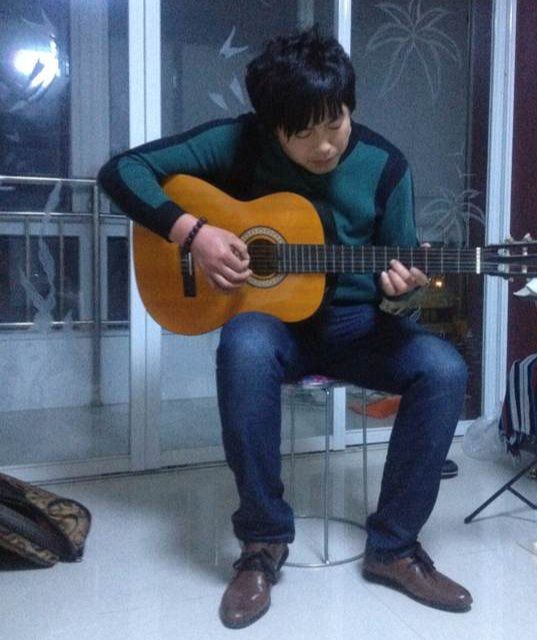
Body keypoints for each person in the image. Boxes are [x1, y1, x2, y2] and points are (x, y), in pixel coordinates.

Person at [98, 27, 471, 629]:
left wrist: (402, 293)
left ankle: (394, 547)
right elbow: (123, 170)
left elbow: (400, 280)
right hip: (272, 326)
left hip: (356, 326)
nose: (324, 145)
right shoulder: (240, 143)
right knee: (244, 346)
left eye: (336, 123)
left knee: (444, 367)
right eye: (303, 133)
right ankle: (262, 543)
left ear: (350, 106)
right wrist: (194, 233)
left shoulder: (386, 165)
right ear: (272, 126)